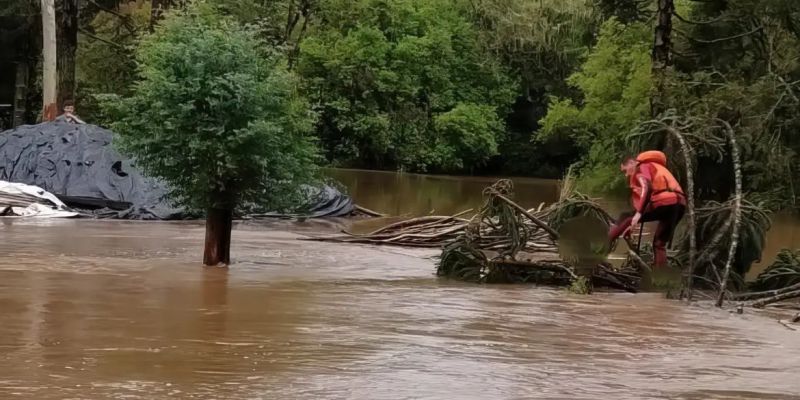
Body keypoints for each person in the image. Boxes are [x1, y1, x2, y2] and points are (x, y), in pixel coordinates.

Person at [608, 150, 686, 268]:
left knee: (625, 216)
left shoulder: (642, 167)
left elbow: (647, 187)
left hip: (664, 202)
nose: (626, 175)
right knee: (659, 244)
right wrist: (633, 222)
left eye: (625, 170)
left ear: (631, 163)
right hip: (680, 205)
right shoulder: (658, 167)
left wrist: (638, 214)